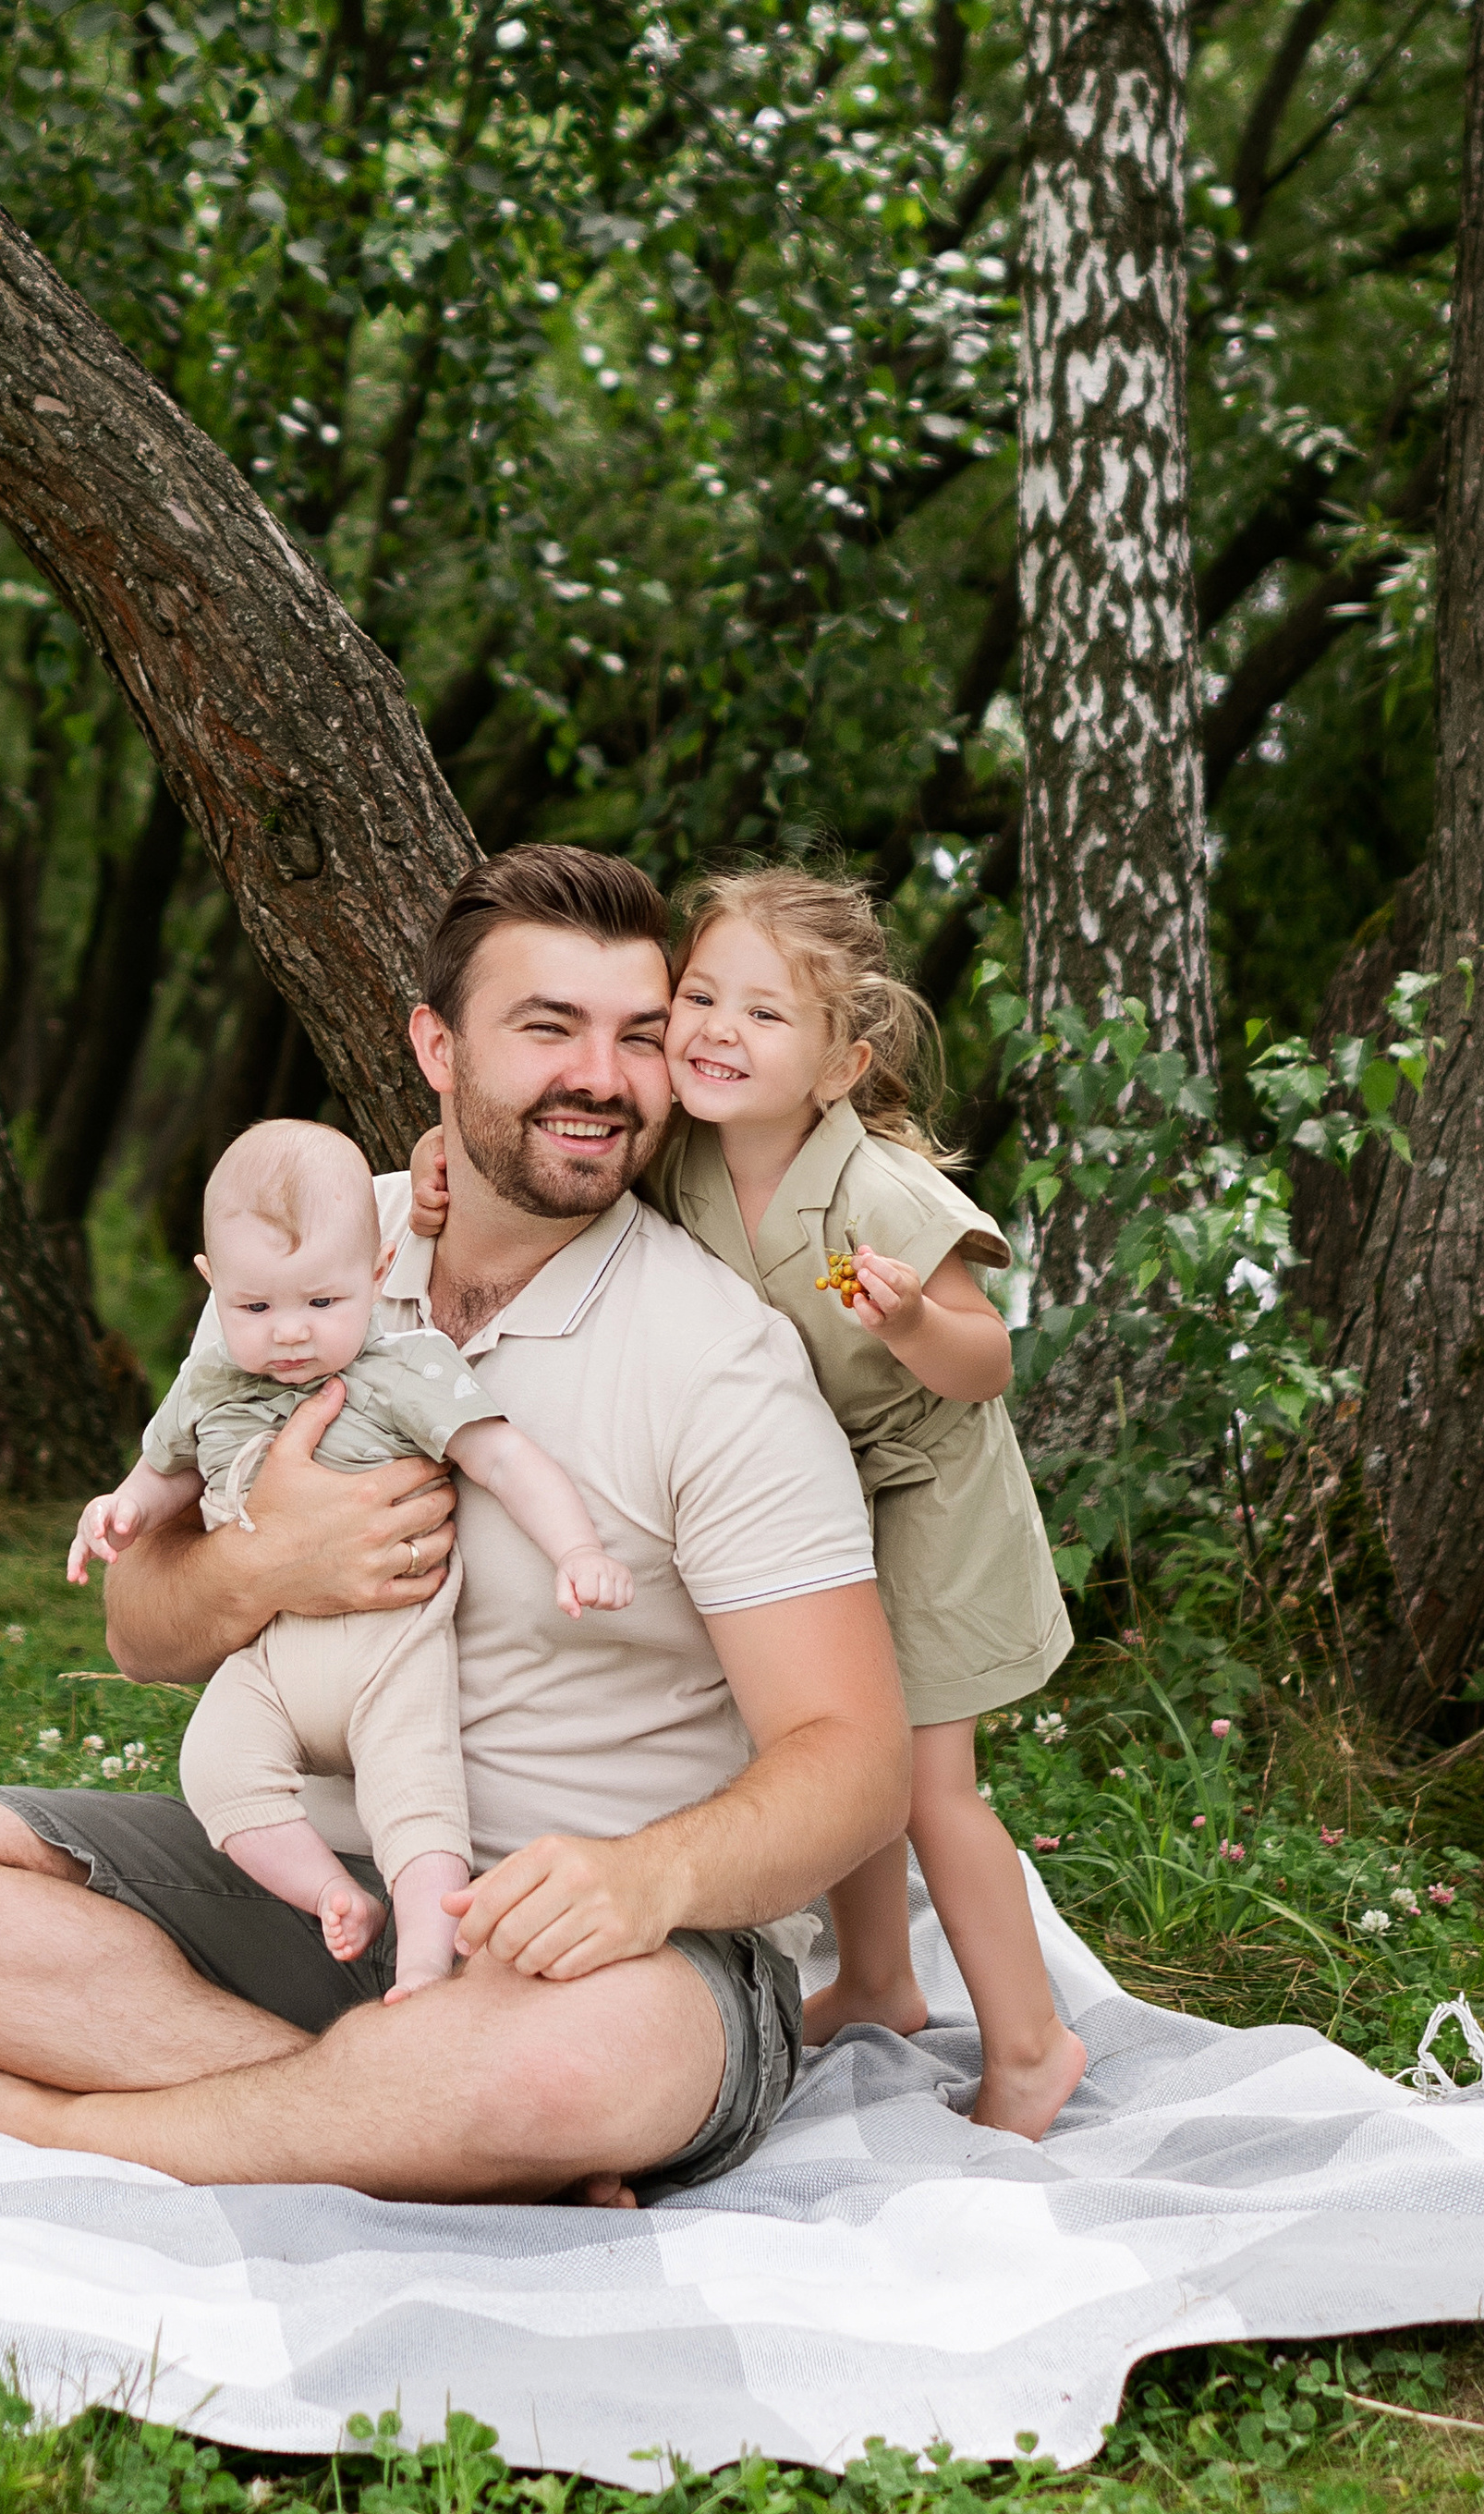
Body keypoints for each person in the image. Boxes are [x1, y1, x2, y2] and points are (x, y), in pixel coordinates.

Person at [0, 844, 908, 2208]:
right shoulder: (308, 1254)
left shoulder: (715, 1356)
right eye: (548, 1029)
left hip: (595, 1948)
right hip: (301, 1879)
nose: (603, 1080)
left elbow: (854, 1760)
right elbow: (141, 1632)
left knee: (564, 2073)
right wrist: (271, 1562)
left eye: (637, 1036)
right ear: (435, 1046)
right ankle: (387, 2120)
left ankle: (64, 2128)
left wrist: (648, 1877)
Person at [414, 864, 1079, 2140]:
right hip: (819, 1488)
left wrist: (912, 1322)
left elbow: (989, 1363)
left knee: (928, 1785)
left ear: (839, 1065)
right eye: (701, 999)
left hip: (926, 1491)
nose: (717, 1030)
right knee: (841, 1736)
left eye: (764, 1015)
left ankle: (1034, 2044)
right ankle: (879, 1982)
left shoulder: (877, 1185)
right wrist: (430, 1159)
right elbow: (542, 1154)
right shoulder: (690, 1168)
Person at [69, 1114, 634, 2002]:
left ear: (377, 1274)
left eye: (322, 1304)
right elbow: (161, 1475)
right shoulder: (213, 1378)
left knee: (419, 1806)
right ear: (213, 1284)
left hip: (390, 1655)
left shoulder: (406, 1369)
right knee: (213, 1765)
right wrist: (117, 1512)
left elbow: (506, 1458)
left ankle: (421, 1963)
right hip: (270, 1660)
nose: (288, 1333)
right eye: (255, 1307)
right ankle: (329, 1893)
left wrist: (577, 1549)